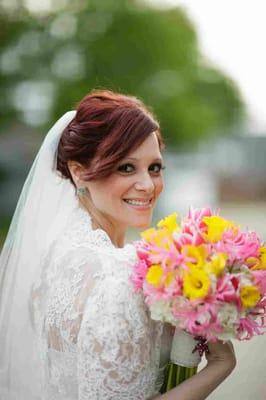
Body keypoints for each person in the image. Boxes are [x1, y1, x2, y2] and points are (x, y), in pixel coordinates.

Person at [0, 89, 236, 399]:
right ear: (79, 172)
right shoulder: (123, 276)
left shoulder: (51, 258)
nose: (147, 185)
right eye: (126, 167)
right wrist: (221, 364)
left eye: (154, 167)